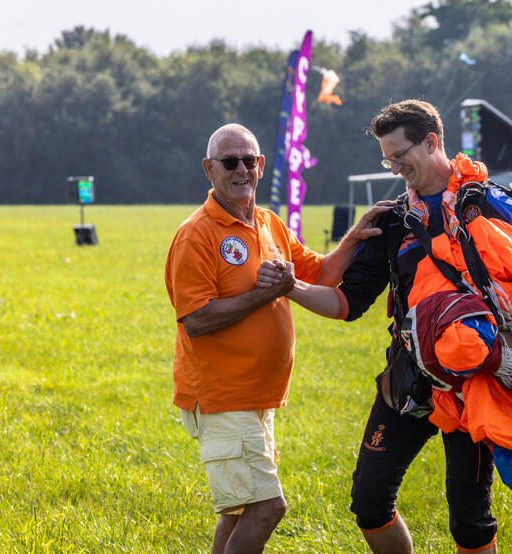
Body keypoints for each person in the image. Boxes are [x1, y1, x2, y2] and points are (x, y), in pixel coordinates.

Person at [268, 100, 512, 554]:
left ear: (432, 142)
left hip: (476, 385)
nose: (395, 166)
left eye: (400, 153)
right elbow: (348, 302)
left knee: (470, 519)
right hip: (409, 380)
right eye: (387, 158)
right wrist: (292, 289)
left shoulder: (489, 203)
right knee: (368, 500)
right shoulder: (389, 221)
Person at [164, 123, 391, 554]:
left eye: (249, 160)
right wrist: (261, 295)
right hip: (220, 396)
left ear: (261, 165)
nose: (241, 170)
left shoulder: (268, 223)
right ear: (208, 169)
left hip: (256, 397)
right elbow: (195, 320)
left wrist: (355, 236)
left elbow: (319, 273)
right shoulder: (197, 234)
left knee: (238, 511)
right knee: (268, 508)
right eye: (229, 162)